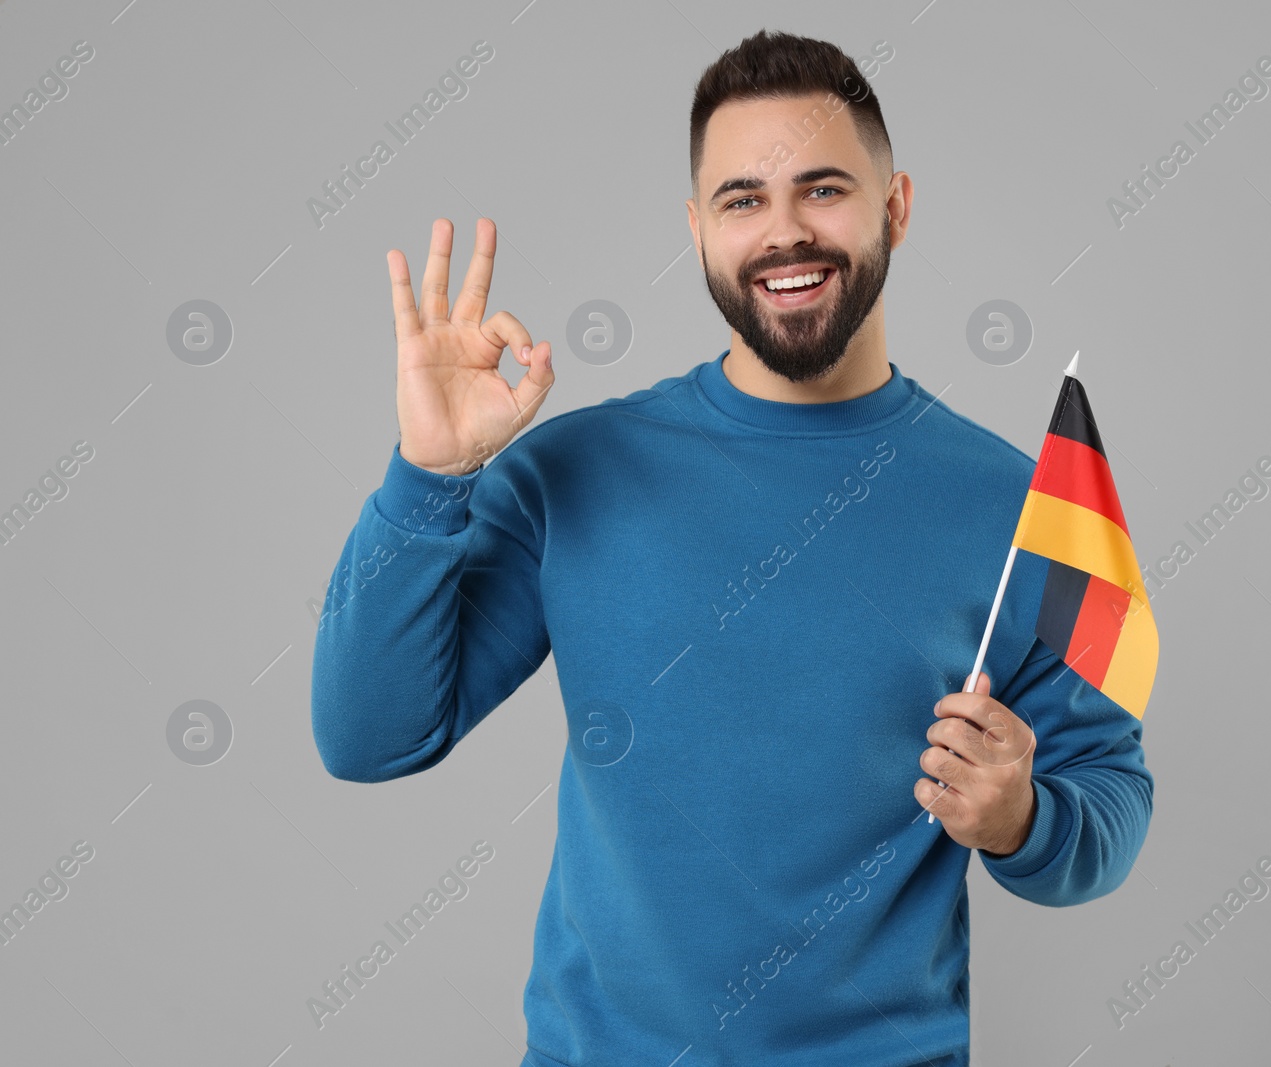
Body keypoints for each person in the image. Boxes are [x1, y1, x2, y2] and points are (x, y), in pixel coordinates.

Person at [310, 28, 1153, 1067]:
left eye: (824, 188)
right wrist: (428, 474)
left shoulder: (1020, 507)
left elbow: (1111, 793)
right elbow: (367, 736)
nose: (784, 232)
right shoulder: (572, 470)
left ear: (895, 206)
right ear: (697, 228)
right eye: (742, 199)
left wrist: (1025, 815)